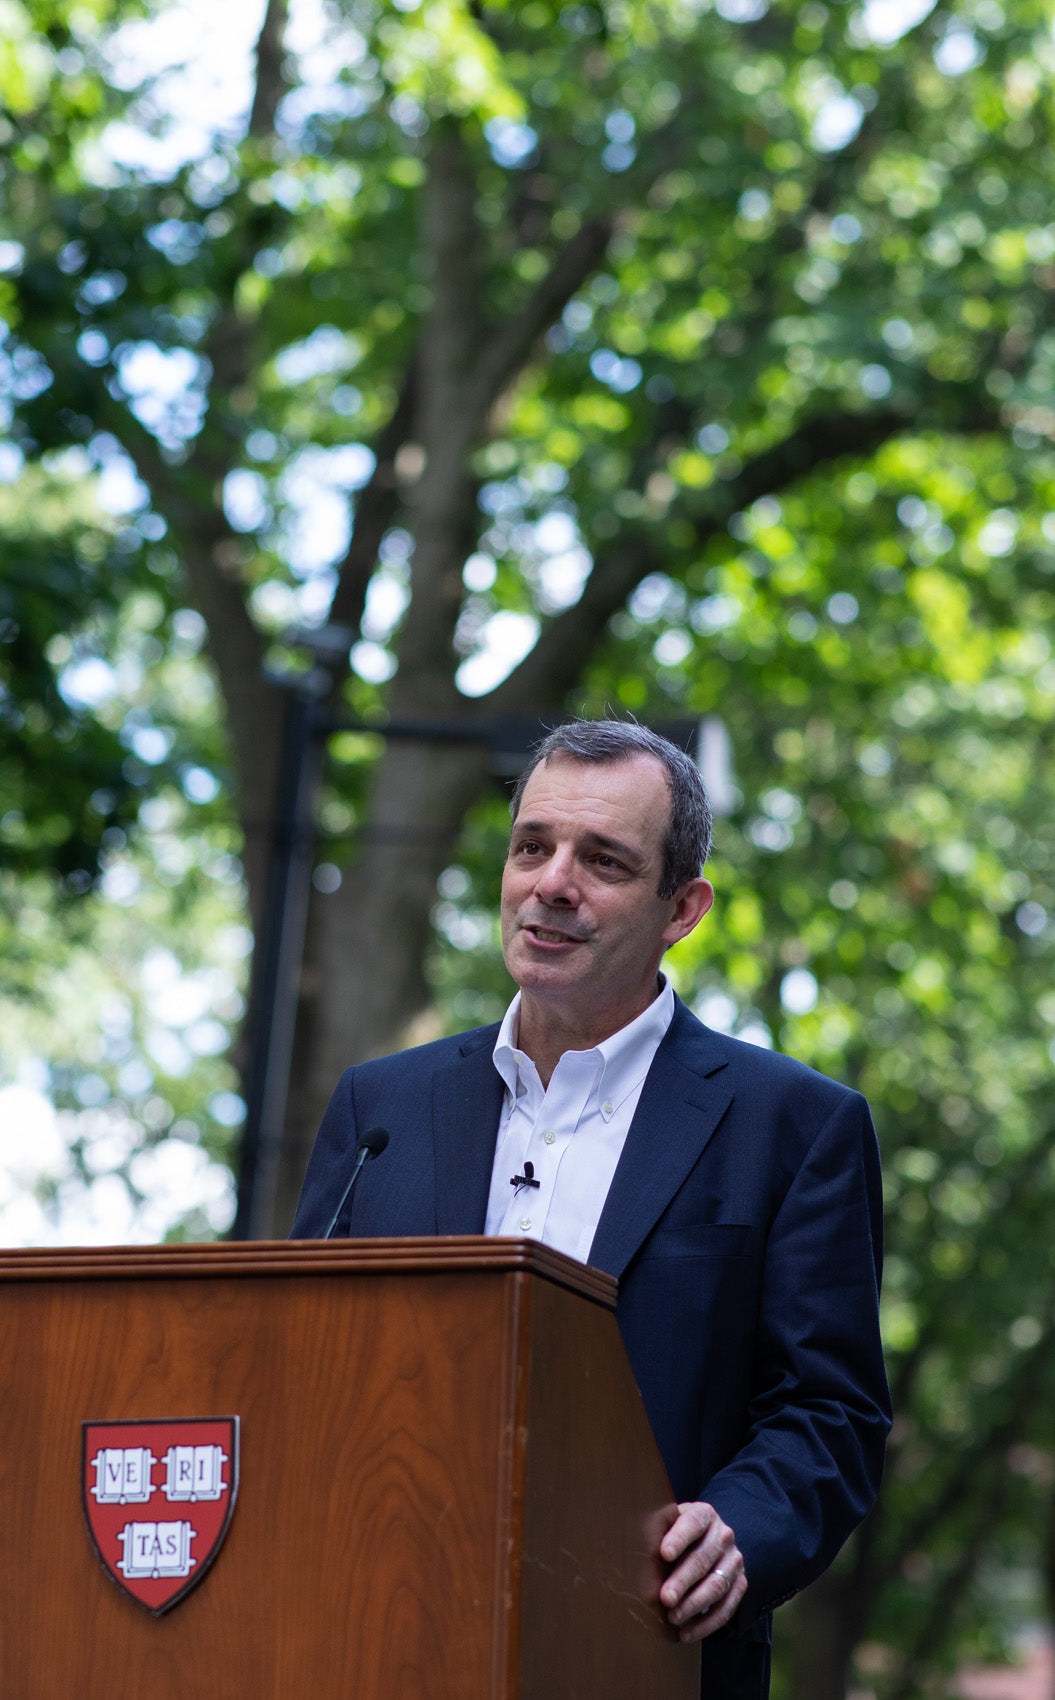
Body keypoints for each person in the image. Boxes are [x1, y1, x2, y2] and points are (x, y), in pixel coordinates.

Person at [289, 718, 891, 1700]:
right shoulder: (380, 1111)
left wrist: (741, 1524)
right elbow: (298, 1361)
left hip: (651, 1648)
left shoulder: (795, 1125)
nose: (552, 882)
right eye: (533, 846)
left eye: (603, 859)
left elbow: (831, 1409)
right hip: (383, 1639)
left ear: (681, 908)